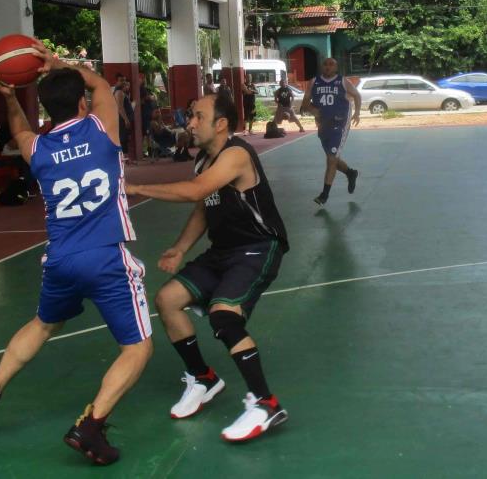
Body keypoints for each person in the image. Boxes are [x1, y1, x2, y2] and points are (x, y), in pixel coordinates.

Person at [0, 43, 153, 466]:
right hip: (105, 257)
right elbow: (101, 83)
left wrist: (10, 96)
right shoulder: (102, 130)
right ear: (83, 103)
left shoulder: (39, 150)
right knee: (137, 348)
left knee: (44, 322)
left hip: (61, 259)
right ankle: (91, 424)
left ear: (47, 109)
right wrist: (60, 64)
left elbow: (19, 130)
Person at [126, 94, 290, 442]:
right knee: (168, 300)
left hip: (258, 248)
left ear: (221, 124)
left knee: (224, 315)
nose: (190, 122)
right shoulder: (203, 160)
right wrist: (180, 248)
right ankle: (203, 378)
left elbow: (195, 191)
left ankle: (266, 403)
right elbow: (204, 206)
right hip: (224, 251)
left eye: (198, 116)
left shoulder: (236, 154)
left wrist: (137, 186)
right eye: (191, 116)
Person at [300, 58, 361, 205]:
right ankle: (350, 173)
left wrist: (357, 113)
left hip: (340, 122)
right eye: (325, 64)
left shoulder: (343, 81)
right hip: (323, 124)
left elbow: (357, 95)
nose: (328, 66)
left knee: (331, 159)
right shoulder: (314, 82)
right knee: (332, 157)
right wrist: (310, 109)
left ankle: (324, 195)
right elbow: (304, 103)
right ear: (322, 66)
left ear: (336, 67)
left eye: (331, 64)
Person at [114, 78, 133, 156]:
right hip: (121, 120)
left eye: (124, 80)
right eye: (121, 80)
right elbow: (120, 107)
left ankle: (125, 157)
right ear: (117, 82)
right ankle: (124, 157)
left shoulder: (123, 93)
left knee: (125, 138)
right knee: (123, 139)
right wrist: (126, 119)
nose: (123, 82)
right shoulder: (119, 93)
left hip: (123, 118)